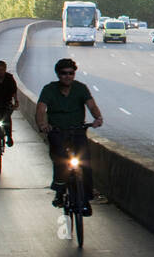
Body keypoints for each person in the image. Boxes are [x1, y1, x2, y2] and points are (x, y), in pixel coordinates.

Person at [36, 57, 104, 215]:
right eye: (64, 73)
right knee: (60, 159)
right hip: (57, 131)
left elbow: (91, 105)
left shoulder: (80, 88)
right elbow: (40, 109)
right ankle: (59, 191)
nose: (67, 76)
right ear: (58, 74)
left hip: (77, 131)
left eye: (71, 73)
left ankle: (85, 199)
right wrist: (42, 124)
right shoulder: (49, 89)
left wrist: (98, 118)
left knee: (85, 162)